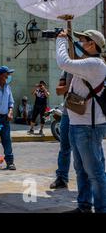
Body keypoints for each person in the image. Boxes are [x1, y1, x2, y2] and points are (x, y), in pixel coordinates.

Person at [56, 29, 106, 213]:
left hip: (88, 127)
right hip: (78, 124)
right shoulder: (87, 62)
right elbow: (71, 59)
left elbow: (64, 61)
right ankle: (84, 206)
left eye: (83, 40)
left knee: (95, 172)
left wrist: (60, 40)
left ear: (91, 44)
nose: (80, 43)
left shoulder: (95, 64)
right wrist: (69, 36)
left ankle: (101, 208)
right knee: (81, 170)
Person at [50, 71, 73, 189]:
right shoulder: (67, 69)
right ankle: (62, 178)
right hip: (68, 113)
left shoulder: (91, 64)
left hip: (87, 116)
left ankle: (98, 180)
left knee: (90, 149)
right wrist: (71, 86)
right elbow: (59, 90)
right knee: (64, 147)